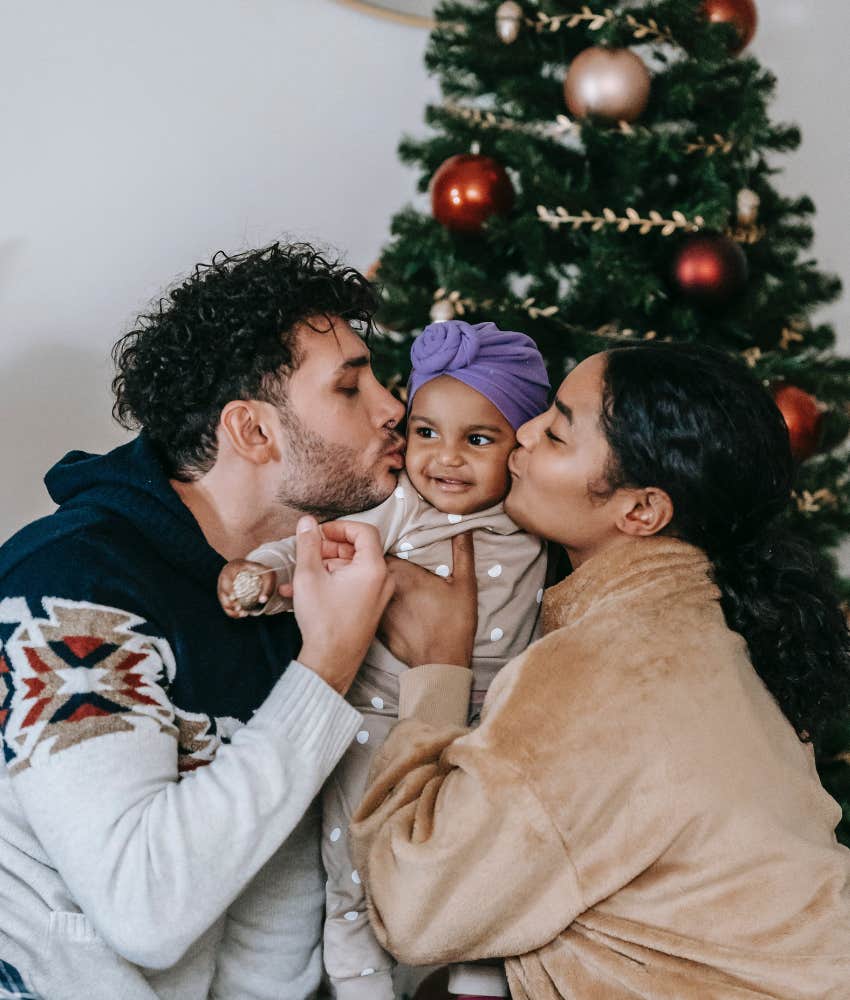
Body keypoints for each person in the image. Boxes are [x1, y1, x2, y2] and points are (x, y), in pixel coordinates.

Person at [350, 342, 850, 999]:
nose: (523, 433)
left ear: (641, 511)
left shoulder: (612, 669)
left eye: (556, 433)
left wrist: (440, 665)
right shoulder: (704, 629)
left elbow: (416, 906)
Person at [0, 242, 410, 1000]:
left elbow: (274, 908)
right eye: (351, 387)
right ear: (252, 432)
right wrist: (327, 665)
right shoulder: (68, 585)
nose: (393, 408)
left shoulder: (294, 587)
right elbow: (144, 907)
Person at [218, 319, 551, 1000]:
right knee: (354, 870)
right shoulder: (401, 507)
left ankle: (477, 980)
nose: (445, 459)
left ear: (520, 450)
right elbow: (322, 546)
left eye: (478, 440)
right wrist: (262, 574)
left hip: (489, 734)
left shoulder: (537, 519)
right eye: (426, 432)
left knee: (485, 869)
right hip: (379, 720)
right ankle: (359, 984)